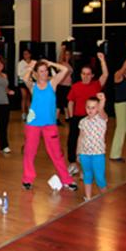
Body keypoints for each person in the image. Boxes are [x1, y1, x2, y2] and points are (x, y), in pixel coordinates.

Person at [21, 59, 78, 191]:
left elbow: (65, 70)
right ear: (36, 73)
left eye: (46, 70)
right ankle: (27, 179)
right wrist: (31, 68)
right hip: (33, 124)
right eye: (41, 71)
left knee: (56, 154)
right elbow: (24, 79)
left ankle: (67, 180)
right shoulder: (33, 86)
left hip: (49, 125)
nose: (44, 73)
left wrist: (50, 63)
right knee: (29, 152)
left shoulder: (52, 84)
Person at [66, 52, 108, 176]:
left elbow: (105, 74)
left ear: (92, 75)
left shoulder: (96, 85)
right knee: (72, 141)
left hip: (92, 118)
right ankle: (73, 164)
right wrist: (71, 117)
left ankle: (86, 168)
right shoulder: (75, 86)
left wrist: (102, 60)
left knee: (88, 141)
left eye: (88, 74)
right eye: (83, 74)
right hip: (77, 117)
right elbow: (70, 102)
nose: (85, 76)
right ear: (80, 75)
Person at [78, 94, 108, 201]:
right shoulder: (83, 122)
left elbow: (101, 111)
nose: (90, 110)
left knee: (99, 177)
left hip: (98, 154)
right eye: (88, 107)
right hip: (85, 154)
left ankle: (106, 197)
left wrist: (102, 100)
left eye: (93, 107)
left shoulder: (101, 119)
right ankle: (88, 198)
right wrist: (78, 152)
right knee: (87, 175)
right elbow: (81, 137)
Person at [56, 44, 74, 125]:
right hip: (62, 85)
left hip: (68, 86)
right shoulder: (61, 63)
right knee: (60, 103)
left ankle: (67, 117)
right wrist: (62, 49)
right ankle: (56, 119)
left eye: (68, 54)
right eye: (66, 54)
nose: (67, 56)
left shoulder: (69, 64)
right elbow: (59, 58)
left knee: (67, 102)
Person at [17, 49, 35, 121]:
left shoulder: (33, 62)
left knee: (29, 98)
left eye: (27, 54)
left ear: (30, 55)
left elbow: (34, 73)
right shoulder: (21, 63)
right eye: (24, 54)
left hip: (30, 81)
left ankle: (30, 114)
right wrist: (27, 70)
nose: (26, 55)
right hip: (22, 81)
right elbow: (19, 73)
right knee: (24, 97)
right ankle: (23, 113)